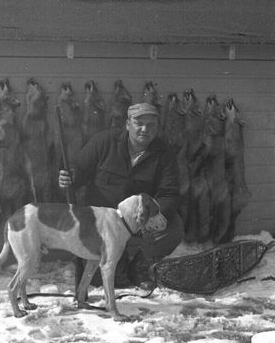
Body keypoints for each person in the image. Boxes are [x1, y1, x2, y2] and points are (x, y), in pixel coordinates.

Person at [58, 102, 184, 293]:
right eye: (138, 123)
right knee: (103, 280)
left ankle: (139, 267)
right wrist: (69, 178)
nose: (144, 129)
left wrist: (150, 215)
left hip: (138, 219)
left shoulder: (164, 154)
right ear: (127, 124)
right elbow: (79, 170)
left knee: (173, 228)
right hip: (102, 224)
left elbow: (169, 193)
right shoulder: (104, 141)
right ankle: (120, 264)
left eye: (151, 125)